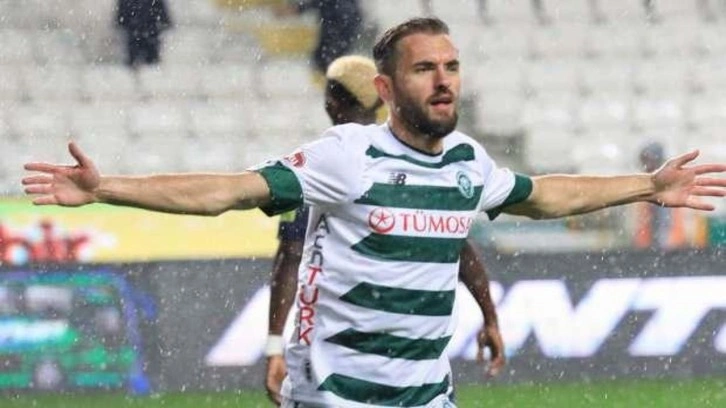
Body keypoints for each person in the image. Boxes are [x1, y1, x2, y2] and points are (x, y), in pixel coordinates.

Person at [21, 17, 726, 408]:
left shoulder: (466, 164)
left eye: (451, 67)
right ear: (386, 89)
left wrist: (646, 186)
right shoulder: (346, 156)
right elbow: (228, 191)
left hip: (427, 394)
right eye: (425, 69)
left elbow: (545, 196)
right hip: (336, 393)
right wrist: (107, 187)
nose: (444, 81)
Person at [264, 55, 504, 406]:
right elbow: (460, 248)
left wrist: (274, 346)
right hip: (414, 365)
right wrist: (491, 317)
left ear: (332, 102)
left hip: (343, 365)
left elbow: (291, 256)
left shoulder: (317, 167)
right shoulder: (419, 162)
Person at [274, 0, 364, 78]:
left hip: (338, 27)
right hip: (343, 27)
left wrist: (295, 9)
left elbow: (316, 4)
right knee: (329, 60)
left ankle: (333, 82)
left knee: (325, 59)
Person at [633, 141, 687, 249]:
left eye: (650, 161)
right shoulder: (646, 186)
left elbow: (665, 222)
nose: (646, 167)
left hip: (669, 246)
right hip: (649, 246)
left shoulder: (667, 188)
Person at [116, 0, 172, 67]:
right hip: (146, 31)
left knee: (143, 59)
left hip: (139, 31)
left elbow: (121, 15)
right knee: (148, 60)